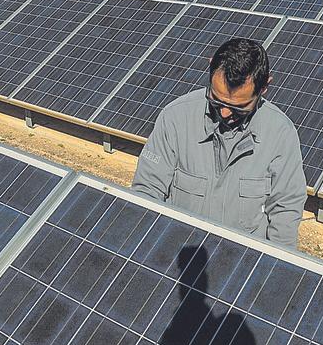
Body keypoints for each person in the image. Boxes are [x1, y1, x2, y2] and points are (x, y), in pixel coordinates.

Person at [131, 38, 306, 248]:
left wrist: (279, 266)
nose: (224, 113)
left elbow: (285, 211)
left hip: (241, 261)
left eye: (239, 107)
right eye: (216, 99)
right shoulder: (175, 118)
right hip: (178, 251)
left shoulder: (280, 135)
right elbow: (147, 191)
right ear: (210, 66)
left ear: (264, 87)